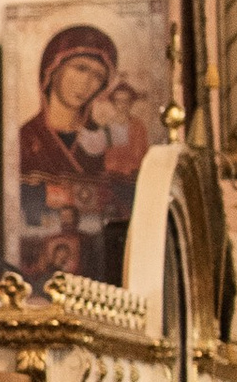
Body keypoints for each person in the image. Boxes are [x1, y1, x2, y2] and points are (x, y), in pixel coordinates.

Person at [17, 21, 149, 279]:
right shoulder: (24, 139)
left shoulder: (105, 141)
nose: (87, 83)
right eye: (80, 68)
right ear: (53, 69)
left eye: (98, 76)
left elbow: (129, 200)